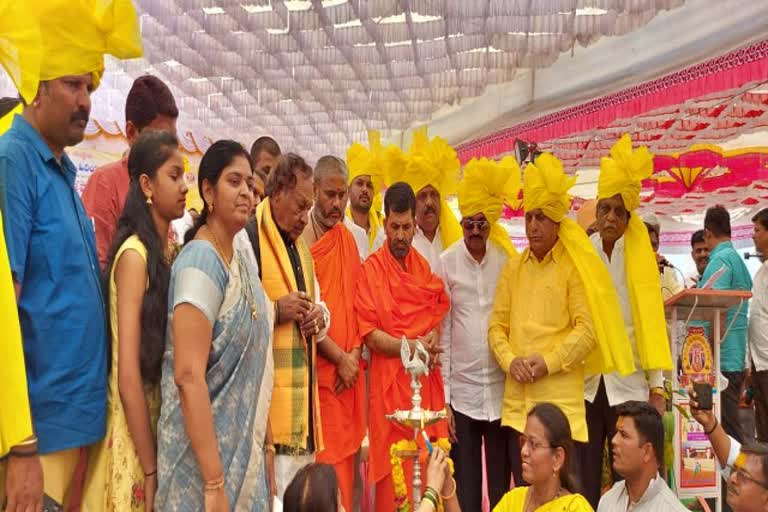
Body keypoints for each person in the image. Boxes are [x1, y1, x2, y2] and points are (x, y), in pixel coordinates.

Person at [0, 1, 142, 508]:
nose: (86, 100)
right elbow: (5, 305)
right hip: (38, 436)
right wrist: (17, 447)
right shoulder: (14, 161)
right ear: (36, 88)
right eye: (72, 85)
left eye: (89, 86)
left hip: (75, 426)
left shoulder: (58, 168)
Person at [489, 153, 635, 486]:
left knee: (563, 500)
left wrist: (548, 362)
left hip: (561, 413)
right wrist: (510, 361)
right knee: (524, 498)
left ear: (557, 221)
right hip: (518, 408)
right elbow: (496, 327)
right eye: (529, 217)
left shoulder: (573, 267)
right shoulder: (512, 267)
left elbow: (588, 332)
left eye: (541, 217)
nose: (533, 226)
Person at [155, 140, 275, 511]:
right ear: (208, 191)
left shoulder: (239, 260)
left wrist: (266, 444)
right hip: (201, 474)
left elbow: (257, 362)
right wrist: (213, 482)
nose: (246, 192)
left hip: (244, 461)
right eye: (233, 181)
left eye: (250, 185)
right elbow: (189, 376)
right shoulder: (200, 262)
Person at [83, 131, 187, 511]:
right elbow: (128, 376)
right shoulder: (134, 256)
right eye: (174, 176)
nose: (184, 187)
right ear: (146, 184)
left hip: (155, 424)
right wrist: (150, 468)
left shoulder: (165, 253)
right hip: (131, 434)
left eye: (185, 177)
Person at [581, 134, 673, 508]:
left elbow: (652, 324)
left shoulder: (640, 257)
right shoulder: (584, 252)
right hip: (589, 384)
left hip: (630, 383)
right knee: (584, 473)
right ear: (597, 211)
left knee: (631, 477)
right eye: (605, 209)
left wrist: (657, 388)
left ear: (628, 217)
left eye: (620, 211)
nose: (611, 218)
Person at [355, 181, 450, 510]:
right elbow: (369, 334)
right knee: (392, 483)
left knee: (429, 471)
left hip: (424, 389)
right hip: (388, 394)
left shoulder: (422, 268)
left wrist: (432, 337)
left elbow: (434, 310)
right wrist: (412, 346)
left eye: (406, 227)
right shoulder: (370, 271)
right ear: (384, 223)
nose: (399, 235)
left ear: (414, 225)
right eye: (394, 227)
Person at [439, 156, 519, 510]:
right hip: (464, 395)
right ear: (461, 223)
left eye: (481, 225)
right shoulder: (447, 262)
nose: (474, 231)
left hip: (500, 393)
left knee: (502, 490)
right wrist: (445, 399)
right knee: (468, 492)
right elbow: (442, 332)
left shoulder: (505, 260)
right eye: (469, 224)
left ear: (491, 225)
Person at [255, 153, 329, 496]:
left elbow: (319, 304)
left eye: (308, 208)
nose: (305, 217)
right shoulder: (248, 238)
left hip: (303, 418)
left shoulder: (303, 249)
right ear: (278, 191)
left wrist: (319, 317)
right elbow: (235, 317)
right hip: (266, 419)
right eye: (300, 206)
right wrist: (275, 311)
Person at [301, 156, 366, 511]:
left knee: (352, 475)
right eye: (330, 194)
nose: (337, 203)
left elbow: (359, 303)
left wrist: (353, 356)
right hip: (322, 378)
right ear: (314, 191)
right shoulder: (303, 243)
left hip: (350, 377)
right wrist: (339, 358)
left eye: (342, 194)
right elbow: (308, 314)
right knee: (326, 479)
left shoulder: (349, 240)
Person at [81, 75, 178, 269]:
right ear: (132, 132)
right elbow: (96, 268)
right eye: (159, 138)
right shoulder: (105, 182)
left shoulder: (165, 185)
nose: (168, 148)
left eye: (172, 139)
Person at [701, 205, 752, 444]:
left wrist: (707, 354)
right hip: (736, 354)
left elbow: (716, 309)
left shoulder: (720, 260)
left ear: (707, 232)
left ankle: (741, 478)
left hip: (723, 358)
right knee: (730, 430)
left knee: (728, 435)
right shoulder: (739, 262)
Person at [493, 403, 593, 512]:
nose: (523, 451)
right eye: (523, 441)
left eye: (534, 444)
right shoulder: (511, 501)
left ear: (558, 458)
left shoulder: (573, 508)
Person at [391, 127, 463, 271]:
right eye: (422, 196)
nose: (429, 202)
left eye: (434, 195)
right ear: (412, 203)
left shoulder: (456, 237)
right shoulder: (401, 240)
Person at [689, 386, 768, 512]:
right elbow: (731, 455)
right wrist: (709, 422)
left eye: (743, 476)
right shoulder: (753, 462)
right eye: (734, 470)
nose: (731, 478)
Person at [598, 401, 687, 512]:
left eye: (623, 435)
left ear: (647, 451)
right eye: (616, 433)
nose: (614, 440)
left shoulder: (671, 509)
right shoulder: (608, 501)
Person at [346, 130, 390, 253]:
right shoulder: (340, 227)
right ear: (348, 190)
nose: (365, 189)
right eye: (360, 183)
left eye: (369, 185)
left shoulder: (384, 232)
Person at [750, 208, 768, 443]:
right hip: (759, 361)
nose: (753, 235)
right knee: (763, 428)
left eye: (757, 230)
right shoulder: (762, 269)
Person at [643, 214, 683, 299]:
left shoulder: (666, 270)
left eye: (653, 245)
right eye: (646, 244)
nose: (650, 250)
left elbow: (678, 296)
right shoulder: (626, 267)